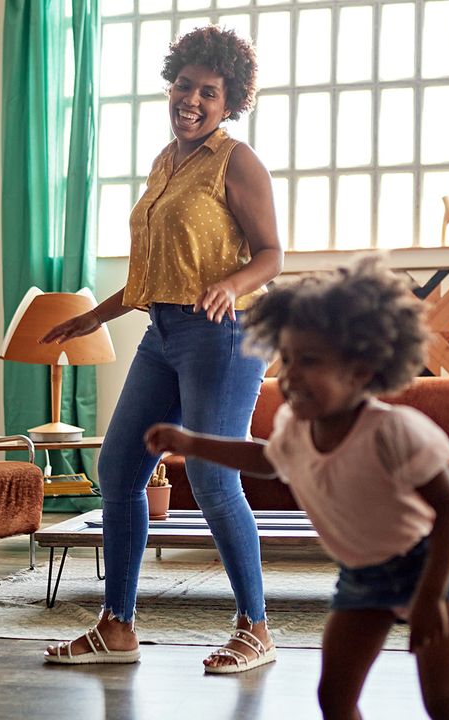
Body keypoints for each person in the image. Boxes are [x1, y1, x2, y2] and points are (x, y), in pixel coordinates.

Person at [40, 25, 283, 670]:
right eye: (184, 86)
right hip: (164, 333)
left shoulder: (238, 162)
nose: (192, 100)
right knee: (119, 469)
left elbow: (272, 255)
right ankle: (116, 625)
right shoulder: (164, 164)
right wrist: (95, 314)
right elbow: (155, 272)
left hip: (225, 336)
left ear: (228, 100)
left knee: (208, 473)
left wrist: (231, 284)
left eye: (208, 91)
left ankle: (255, 627)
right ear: (170, 87)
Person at [145, 257, 449, 720]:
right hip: (362, 575)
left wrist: (428, 596)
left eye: (311, 362)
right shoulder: (295, 427)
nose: (290, 375)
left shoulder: (393, 429)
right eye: (288, 360)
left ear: (360, 371)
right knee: (335, 699)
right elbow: (266, 460)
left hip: (428, 568)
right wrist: (191, 442)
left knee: (444, 701)